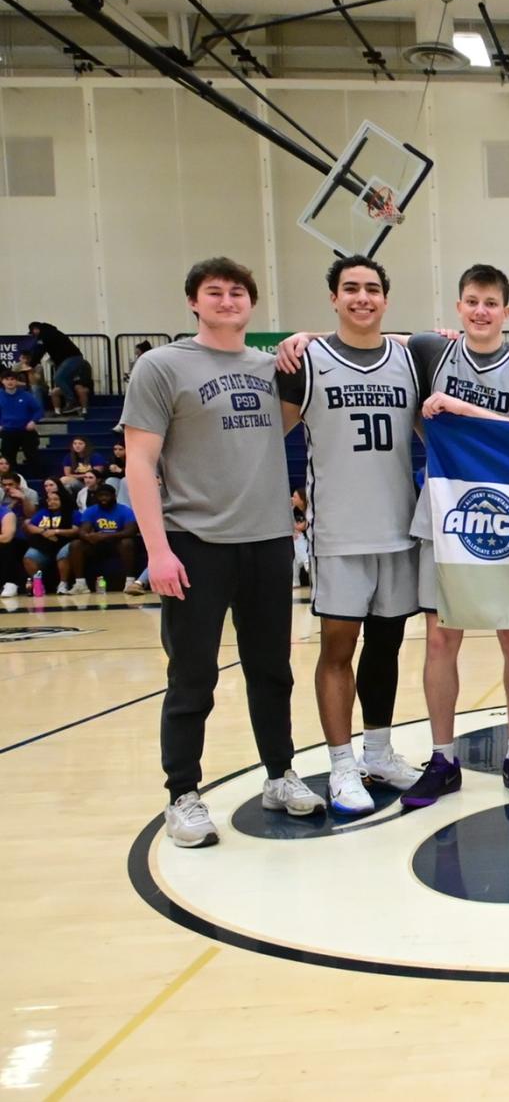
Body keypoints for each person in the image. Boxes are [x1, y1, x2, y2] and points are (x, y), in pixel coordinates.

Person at [123, 256, 322, 849]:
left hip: (265, 542)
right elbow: (139, 462)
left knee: (272, 672)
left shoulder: (271, 368)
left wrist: (304, 343)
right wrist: (156, 550)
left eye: (238, 292)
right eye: (215, 292)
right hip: (194, 543)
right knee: (193, 677)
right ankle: (182, 794)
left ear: (251, 304)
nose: (228, 300)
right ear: (193, 301)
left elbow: (301, 403)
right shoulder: (162, 366)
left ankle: (280, 775)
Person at [399, 264, 509, 805]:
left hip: (507, 517)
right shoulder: (431, 352)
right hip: (444, 513)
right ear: (459, 307)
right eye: (472, 301)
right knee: (441, 639)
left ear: (507, 312)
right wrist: (299, 338)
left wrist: (461, 408)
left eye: (491, 303)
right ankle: (443, 757)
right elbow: (369, 340)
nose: (481, 311)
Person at [277, 254, 426, 816]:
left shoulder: (411, 361)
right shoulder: (306, 361)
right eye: (350, 289)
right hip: (338, 531)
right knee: (339, 650)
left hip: (398, 528)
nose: (362, 297)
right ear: (333, 298)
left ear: (386, 298)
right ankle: (341, 766)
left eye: (371, 289)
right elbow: (270, 435)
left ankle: (379, 752)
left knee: (386, 648)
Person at [75, 481, 139, 591]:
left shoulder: (125, 510)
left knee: (127, 543)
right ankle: (80, 584)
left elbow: (131, 531)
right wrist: (88, 536)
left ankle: (130, 581)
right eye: (100, 496)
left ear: (114, 496)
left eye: (107, 495)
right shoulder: (91, 510)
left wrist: (107, 536)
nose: (103, 498)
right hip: (98, 543)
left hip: (117, 542)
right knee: (76, 545)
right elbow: (82, 531)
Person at [27, 321, 92, 415]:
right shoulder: (53, 333)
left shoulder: (45, 336)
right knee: (64, 380)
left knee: (58, 378)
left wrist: (31, 364)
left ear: (36, 329)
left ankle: (72, 402)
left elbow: (39, 351)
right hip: (74, 358)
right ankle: (72, 404)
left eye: (33, 333)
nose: (34, 336)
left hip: (71, 358)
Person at [22, 488, 78, 593]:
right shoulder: (43, 512)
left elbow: (76, 530)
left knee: (63, 554)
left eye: (55, 499)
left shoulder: (71, 512)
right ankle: (38, 584)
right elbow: (30, 526)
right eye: (49, 500)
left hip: (63, 543)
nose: (51, 502)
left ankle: (63, 584)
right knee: (29, 557)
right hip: (45, 546)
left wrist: (56, 531)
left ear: (62, 500)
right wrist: (43, 532)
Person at [0, 371, 43, 470]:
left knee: (33, 457)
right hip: (8, 432)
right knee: (8, 460)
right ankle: (9, 482)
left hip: (26, 431)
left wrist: (33, 421)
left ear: (16, 381)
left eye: (12, 379)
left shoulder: (26, 395)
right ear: (2, 381)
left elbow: (38, 410)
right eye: (7, 379)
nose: (10, 382)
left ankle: (39, 481)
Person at [289, 488, 310, 585]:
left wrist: (295, 529)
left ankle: (306, 561)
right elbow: (288, 525)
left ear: (302, 499)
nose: (292, 498)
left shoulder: (309, 509)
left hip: (311, 544)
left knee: (296, 538)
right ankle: (305, 562)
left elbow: (304, 525)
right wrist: (290, 507)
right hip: (302, 545)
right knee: (294, 541)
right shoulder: (296, 510)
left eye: (295, 497)